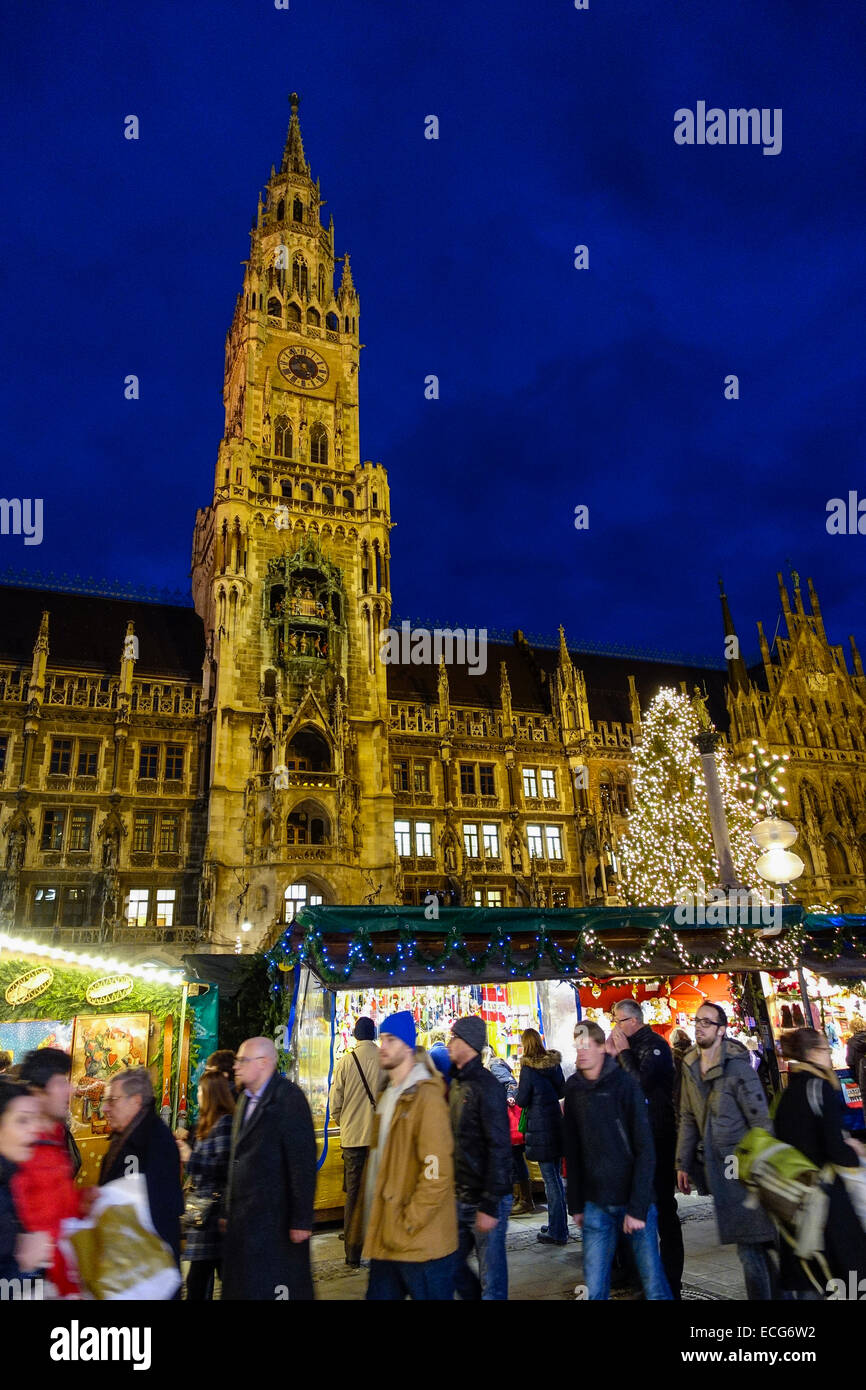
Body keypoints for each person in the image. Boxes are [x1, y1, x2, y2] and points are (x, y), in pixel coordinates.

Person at [563, 1021, 671, 1300]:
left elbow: (644, 1148)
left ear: (603, 1049)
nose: (582, 1053)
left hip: (634, 1199)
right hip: (596, 1203)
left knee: (653, 1283)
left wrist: (637, 1207)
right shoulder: (574, 1088)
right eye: (578, 1047)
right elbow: (573, 1149)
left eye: (587, 1046)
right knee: (595, 1287)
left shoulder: (624, 1084)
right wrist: (575, 1203)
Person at [353, 1011, 457, 1300]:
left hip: (420, 1244)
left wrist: (408, 1221)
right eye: (382, 1038)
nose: (382, 1046)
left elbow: (436, 1172)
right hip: (387, 1238)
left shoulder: (426, 1098)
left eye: (390, 1040)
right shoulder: (388, 1096)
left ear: (407, 1046)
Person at [676, 1003, 777, 1300]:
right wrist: (682, 1163)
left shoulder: (738, 1068)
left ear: (721, 1030)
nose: (699, 1026)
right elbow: (687, 1115)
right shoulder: (690, 1066)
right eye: (697, 1020)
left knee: (751, 1246)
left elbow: (760, 1120)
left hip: (742, 1164)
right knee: (753, 1244)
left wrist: (765, 1166)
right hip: (717, 1167)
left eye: (707, 1022)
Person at [773, 1027, 866, 1298]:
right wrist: (856, 1150)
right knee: (844, 1271)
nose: (829, 1055)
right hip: (825, 1199)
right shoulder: (819, 1087)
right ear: (813, 1053)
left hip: (795, 1195)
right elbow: (834, 1147)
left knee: (808, 1273)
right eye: (826, 1050)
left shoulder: (787, 1094)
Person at [222, 1037, 317, 1301]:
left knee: (277, 1285)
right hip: (247, 1220)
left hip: (275, 1220)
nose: (236, 1067)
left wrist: (301, 1219)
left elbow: (302, 1160)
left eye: (243, 1060)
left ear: (264, 1063)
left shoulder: (288, 1099)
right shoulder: (244, 1100)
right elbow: (237, 1158)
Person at [608, 999, 684, 1299]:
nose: (616, 1026)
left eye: (619, 1020)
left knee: (664, 1210)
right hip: (637, 1141)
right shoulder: (628, 1047)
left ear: (634, 1021)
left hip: (659, 1139)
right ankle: (647, 1280)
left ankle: (671, 1283)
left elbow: (639, 1084)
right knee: (641, 1211)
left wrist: (623, 1052)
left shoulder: (655, 1046)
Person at [447, 1016, 512, 1300]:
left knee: (492, 1278)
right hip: (461, 1194)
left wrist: (489, 1203)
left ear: (468, 1044)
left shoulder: (485, 1086)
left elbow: (499, 1146)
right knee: (450, 1264)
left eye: (454, 1038)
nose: (449, 1044)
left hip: (485, 1198)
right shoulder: (457, 1083)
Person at [12, 1047, 82, 1297]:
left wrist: (86, 1200)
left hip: (61, 1282)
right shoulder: (18, 1146)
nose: (70, 1090)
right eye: (61, 1082)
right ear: (39, 1092)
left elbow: (59, 1208)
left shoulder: (55, 1137)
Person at [100, 1067, 185, 1267]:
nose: (105, 1108)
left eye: (112, 1100)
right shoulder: (127, 1135)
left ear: (136, 1101)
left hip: (147, 1266)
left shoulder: (154, 1142)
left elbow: (151, 1209)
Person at [328, 1016, 383, 1268]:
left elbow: (335, 1100)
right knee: (376, 1192)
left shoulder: (345, 1062)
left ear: (354, 1034)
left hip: (351, 1138)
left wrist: (343, 1121)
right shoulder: (385, 1060)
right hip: (377, 1138)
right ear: (374, 1033)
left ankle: (352, 1253)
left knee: (353, 1194)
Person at [177, 1070, 235, 1300]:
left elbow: (223, 1166)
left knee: (199, 1280)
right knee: (203, 1279)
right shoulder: (205, 1124)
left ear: (211, 1094)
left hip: (214, 1214)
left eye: (201, 1091)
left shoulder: (224, 1123)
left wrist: (192, 1158)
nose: (197, 1095)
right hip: (204, 1215)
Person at [515, 1028, 567, 1245]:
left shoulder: (528, 1068)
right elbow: (562, 1091)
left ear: (525, 1044)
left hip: (539, 1127)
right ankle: (557, 1224)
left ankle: (558, 1231)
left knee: (551, 1181)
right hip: (555, 1123)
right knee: (555, 1177)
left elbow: (522, 1099)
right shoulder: (553, 1064)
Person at [0, 1079, 52, 1285]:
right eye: (23, 1120)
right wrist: (26, 1268)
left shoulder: (14, 1176)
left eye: (36, 1120)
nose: (34, 1129)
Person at [485, 1045, 535, 1215]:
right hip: (504, 1121)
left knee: (516, 1160)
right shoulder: (494, 1065)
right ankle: (518, 1198)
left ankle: (524, 1199)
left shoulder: (494, 1065)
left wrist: (509, 1097)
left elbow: (510, 1084)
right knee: (513, 1160)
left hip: (509, 1121)